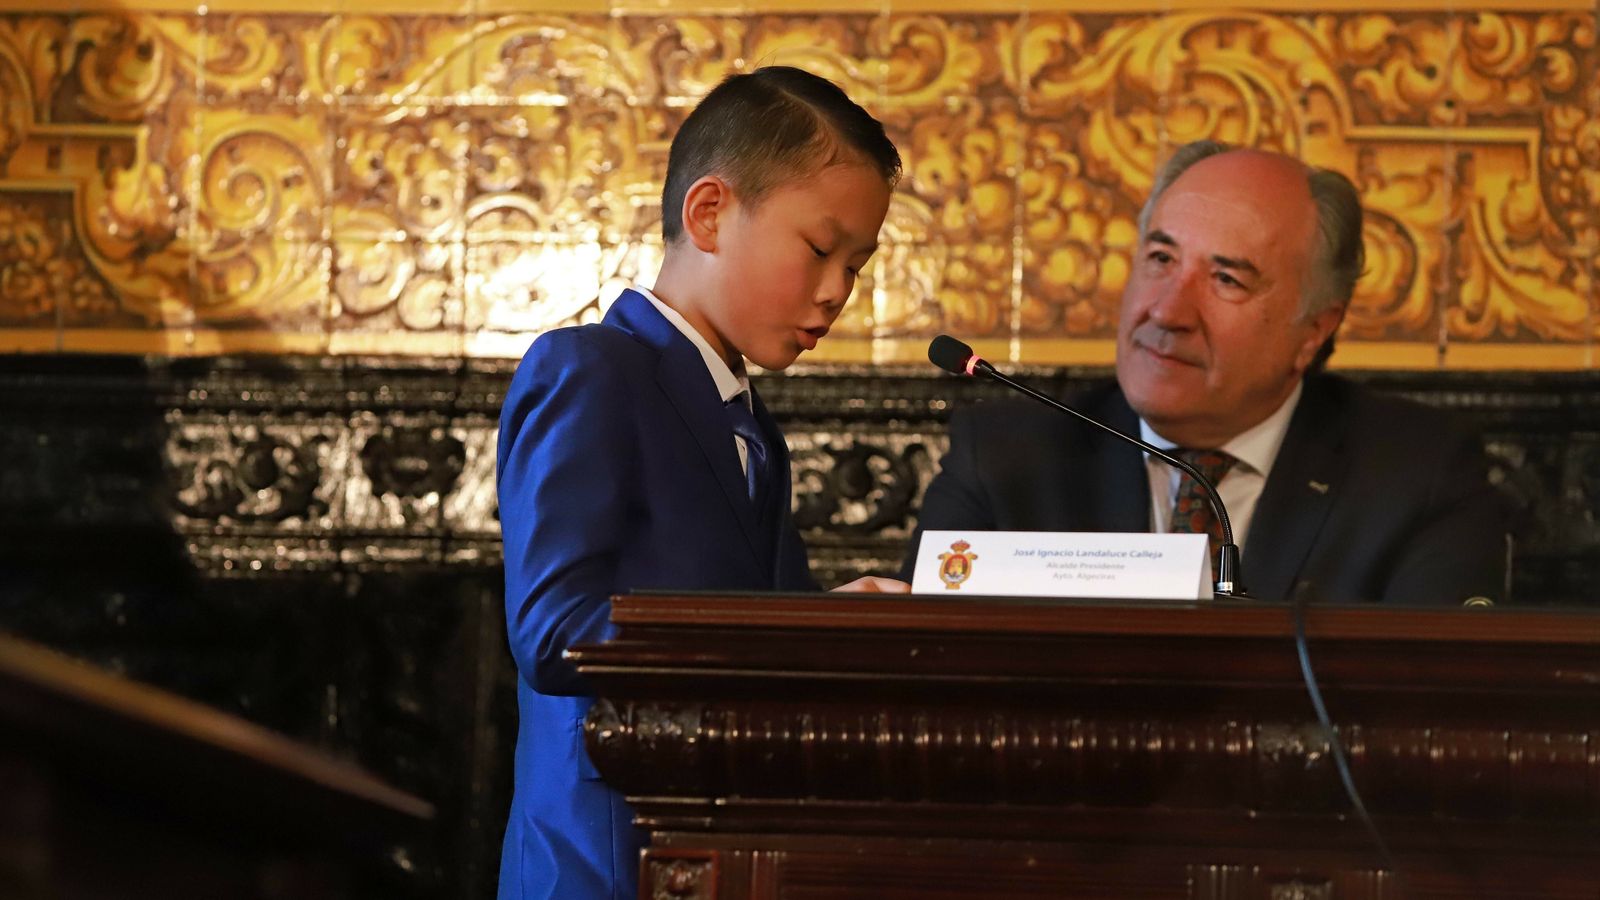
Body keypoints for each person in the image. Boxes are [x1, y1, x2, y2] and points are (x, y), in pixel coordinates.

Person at [496, 66, 903, 900]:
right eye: (821, 249)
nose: (837, 293)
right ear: (709, 212)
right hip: (601, 862)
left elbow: (767, 640)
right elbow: (552, 631)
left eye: (857, 265)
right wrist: (808, 632)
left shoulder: (752, 424)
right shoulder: (590, 369)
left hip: (718, 859)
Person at [901, 140, 1508, 606]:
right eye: (1160, 259)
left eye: (1226, 279)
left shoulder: (1417, 475)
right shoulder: (1008, 458)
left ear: (1315, 330)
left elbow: (1428, 712)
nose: (1166, 311)